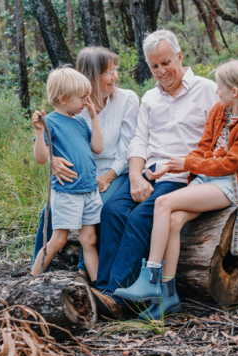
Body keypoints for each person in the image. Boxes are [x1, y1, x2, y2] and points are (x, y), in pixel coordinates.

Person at [114, 60, 238, 320]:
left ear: (235, 91)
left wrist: (187, 163)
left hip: (230, 184)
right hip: (206, 179)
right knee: (174, 220)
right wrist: (171, 168)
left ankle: (150, 278)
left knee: (164, 204)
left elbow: (231, 163)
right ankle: (169, 294)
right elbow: (202, 148)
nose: (216, 91)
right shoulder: (220, 110)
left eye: (220, 86)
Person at [91, 30, 219, 320]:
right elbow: (138, 141)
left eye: (165, 63)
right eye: (154, 66)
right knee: (113, 209)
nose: (161, 72)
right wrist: (135, 176)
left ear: (179, 57)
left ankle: (117, 299)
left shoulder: (207, 90)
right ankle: (100, 290)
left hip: (180, 175)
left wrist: (185, 166)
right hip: (147, 171)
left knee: (139, 218)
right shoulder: (150, 97)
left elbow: (215, 144)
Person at [31, 47, 139, 279]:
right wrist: (53, 161)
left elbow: (125, 148)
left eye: (115, 70)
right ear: (91, 76)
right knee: (48, 214)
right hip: (77, 179)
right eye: (109, 72)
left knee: (98, 217)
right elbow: (50, 148)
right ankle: (34, 275)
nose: (116, 77)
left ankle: (88, 273)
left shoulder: (125, 100)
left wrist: (107, 176)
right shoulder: (73, 105)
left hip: (112, 173)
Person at [31, 67, 104, 280]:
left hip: (89, 190)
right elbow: (42, 158)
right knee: (58, 240)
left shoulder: (80, 121)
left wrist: (93, 117)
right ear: (63, 99)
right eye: (82, 97)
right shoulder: (50, 123)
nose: (86, 101)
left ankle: (100, 288)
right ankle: (32, 280)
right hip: (67, 191)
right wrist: (38, 129)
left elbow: (98, 147)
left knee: (89, 240)